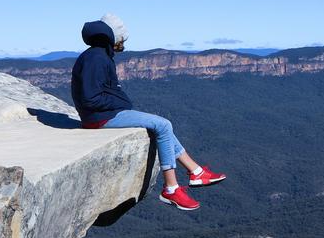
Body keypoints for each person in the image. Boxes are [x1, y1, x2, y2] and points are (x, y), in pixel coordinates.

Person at [71, 14, 225, 211]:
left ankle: (196, 171)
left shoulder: (98, 55)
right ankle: (171, 188)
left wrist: (118, 100)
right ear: (112, 37)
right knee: (163, 124)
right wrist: (119, 101)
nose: (122, 44)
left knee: (161, 127)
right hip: (99, 118)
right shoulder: (96, 58)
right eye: (121, 39)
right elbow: (89, 98)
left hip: (105, 114)